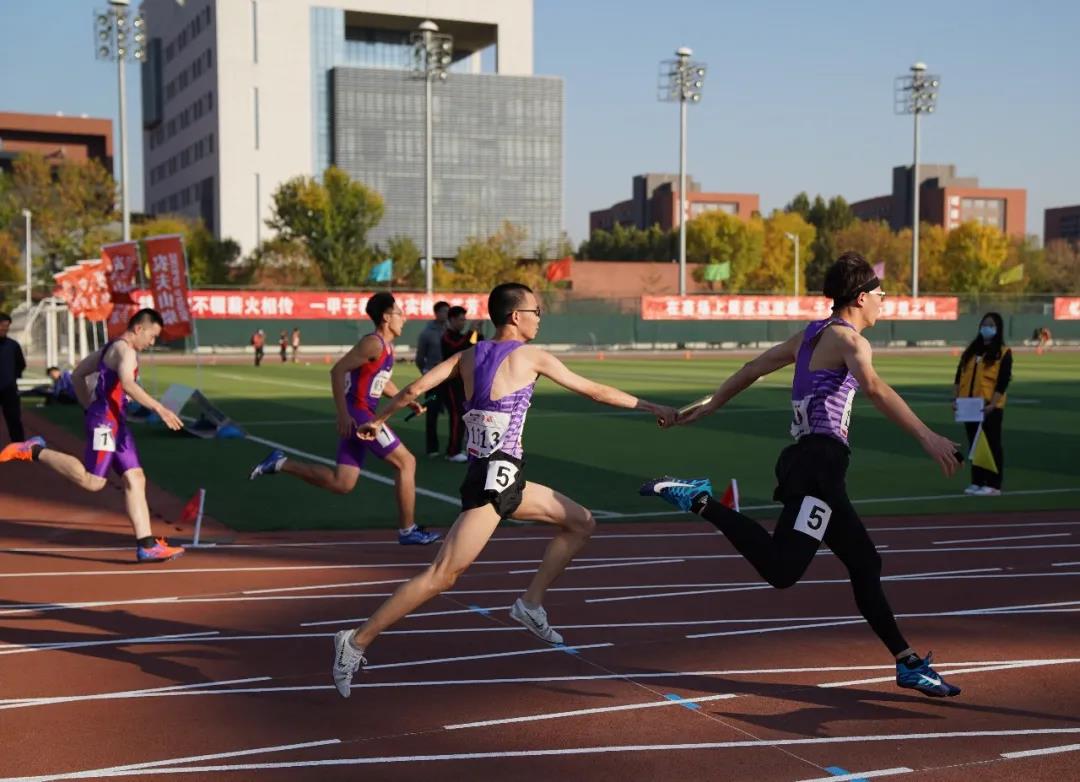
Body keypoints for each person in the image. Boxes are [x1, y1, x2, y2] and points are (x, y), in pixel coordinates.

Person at [640, 252, 965, 699]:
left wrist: (710, 406)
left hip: (810, 464)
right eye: (880, 294)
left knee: (858, 562)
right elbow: (873, 387)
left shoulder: (809, 334)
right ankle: (700, 500)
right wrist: (927, 436)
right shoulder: (851, 341)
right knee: (787, 569)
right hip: (819, 469)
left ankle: (907, 662)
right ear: (860, 297)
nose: (883, 302)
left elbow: (753, 368)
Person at [329, 282, 677, 698]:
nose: (539, 318)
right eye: (536, 311)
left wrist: (378, 419)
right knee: (443, 575)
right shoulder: (530, 356)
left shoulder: (468, 356)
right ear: (515, 316)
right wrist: (653, 407)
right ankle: (356, 641)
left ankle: (530, 604)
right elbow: (593, 391)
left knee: (582, 522)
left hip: (502, 477)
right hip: (494, 483)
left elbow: (413, 390)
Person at [249, 293, 439, 546]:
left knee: (343, 483)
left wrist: (405, 398)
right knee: (407, 462)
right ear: (385, 317)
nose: (404, 318)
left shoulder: (387, 347)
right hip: (361, 417)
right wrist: (343, 414)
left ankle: (281, 463)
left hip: (360, 415)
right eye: (399, 313)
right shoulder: (373, 343)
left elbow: (378, 380)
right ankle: (408, 530)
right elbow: (337, 370)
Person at [0, 309, 186, 562]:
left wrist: (89, 406)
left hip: (114, 422)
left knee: (136, 477)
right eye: (152, 337)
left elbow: (78, 374)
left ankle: (147, 544)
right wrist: (160, 408)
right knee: (93, 481)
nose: (152, 343)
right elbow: (128, 384)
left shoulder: (110, 347)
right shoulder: (126, 351)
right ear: (139, 329)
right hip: (106, 424)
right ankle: (34, 450)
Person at [954, 312, 1012, 496]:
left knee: (992, 444)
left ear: (998, 328)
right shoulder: (971, 351)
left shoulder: (1003, 353)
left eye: (991, 325)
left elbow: (1002, 381)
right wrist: (956, 400)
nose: (987, 328)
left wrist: (993, 404)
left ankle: (994, 484)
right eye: (984, 324)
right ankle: (977, 481)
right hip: (969, 404)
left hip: (988, 405)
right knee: (975, 445)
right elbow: (959, 377)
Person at [440, 305, 482, 462]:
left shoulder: (461, 336)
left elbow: (474, 344)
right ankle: (453, 451)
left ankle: (460, 447)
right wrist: (472, 331)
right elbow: (458, 347)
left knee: (464, 414)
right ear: (451, 319)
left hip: (462, 381)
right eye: (461, 319)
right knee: (457, 415)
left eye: (465, 320)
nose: (463, 322)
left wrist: (477, 331)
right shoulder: (447, 336)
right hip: (450, 382)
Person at [415, 301, 449, 457]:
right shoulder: (427, 333)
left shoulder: (451, 330)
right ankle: (432, 448)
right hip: (434, 382)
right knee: (432, 413)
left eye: (448, 311)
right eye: (443, 311)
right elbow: (420, 357)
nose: (446, 314)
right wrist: (426, 373)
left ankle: (455, 448)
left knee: (458, 413)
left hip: (450, 380)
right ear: (436, 313)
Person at [0, 313, 27, 443]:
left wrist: (11, 378)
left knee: (14, 419)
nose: (4, 329)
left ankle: (19, 447)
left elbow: (21, 364)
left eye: (7, 327)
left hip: (9, 389)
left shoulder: (13, 345)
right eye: (2, 326)